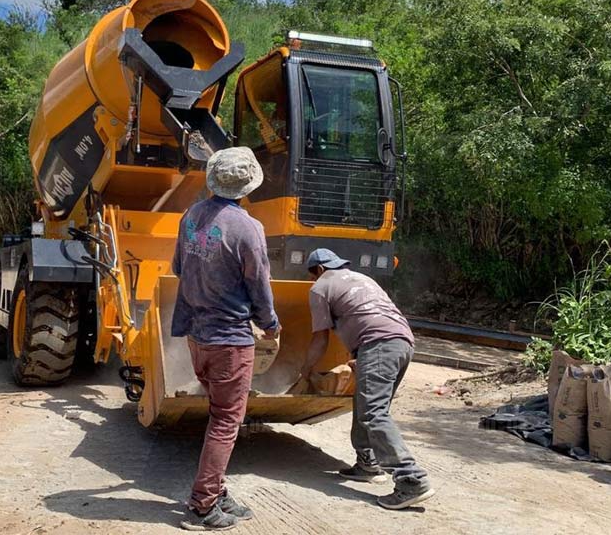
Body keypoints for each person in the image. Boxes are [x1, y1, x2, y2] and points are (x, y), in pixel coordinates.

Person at [171, 146, 281, 531]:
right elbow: (259, 285)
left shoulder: (191, 216)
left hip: (196, 337)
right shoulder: (248, 228)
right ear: (247, 185)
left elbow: (178, 267)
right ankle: (203, 505)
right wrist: (270, 324)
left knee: (218, 415)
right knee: (226, 421)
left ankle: (216, 490)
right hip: (230, 340)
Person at [300, 248, 435, 510]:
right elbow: (369, 313)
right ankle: (367, 464)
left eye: (312, 274)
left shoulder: (320, 287)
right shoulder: (363, 279)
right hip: (402, 342)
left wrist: (305, 369)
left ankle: (412, 480)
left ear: (318, 270)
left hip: (377, 344)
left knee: (374, 413)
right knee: (367, 405)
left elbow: (320, 339)